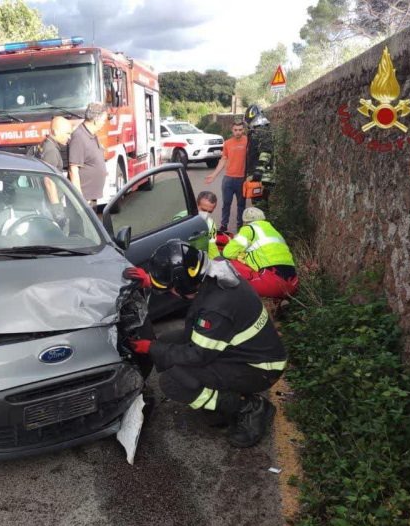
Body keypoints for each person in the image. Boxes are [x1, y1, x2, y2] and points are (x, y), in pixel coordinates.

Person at [122, 239, 286, 448]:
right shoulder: (216, 268)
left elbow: (197, 355)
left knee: (172, 382)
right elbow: (189, 292)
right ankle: (215, 398)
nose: (169, 292)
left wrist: (150, 348)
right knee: (167, 343)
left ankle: (249, 407)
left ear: (183, 285)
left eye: (170, 288)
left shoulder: (215, 310)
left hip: (260, 368)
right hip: (242, 350)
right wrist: (152, 281)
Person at [222, 207, 298, 299]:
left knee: (226, 264)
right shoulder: (273, 231)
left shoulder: (249, 229)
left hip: (273, 284)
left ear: (246, 222)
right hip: (293, 283)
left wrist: (240, 254)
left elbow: (227, 253)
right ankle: (279, 300)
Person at [204, 120, 249, 233]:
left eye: (240, 130)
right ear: (232, 130)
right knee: (226, 204)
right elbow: (223, 160)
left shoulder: (248, 141)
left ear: (243, 130)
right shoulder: (228, 143)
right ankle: (224, 226)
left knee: (241, 205)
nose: (238, 132)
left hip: (242, 179)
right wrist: (213, 175)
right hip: (228, 179)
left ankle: (240, 226)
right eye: (235, 130)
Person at [68, 102, 109, 209]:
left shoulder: (91, 134)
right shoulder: (79, 136)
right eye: (103, 120)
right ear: (96, 120)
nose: (104, 123)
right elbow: (73, 170)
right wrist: (80, 200)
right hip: (84, 201)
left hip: (90, 198)